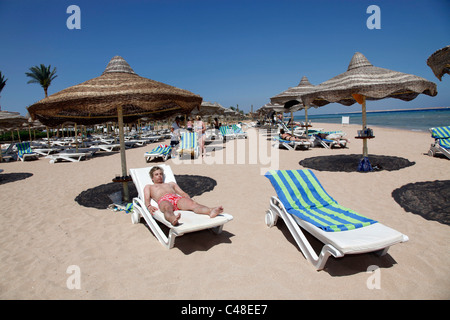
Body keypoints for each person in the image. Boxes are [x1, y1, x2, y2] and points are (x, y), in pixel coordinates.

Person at [144, 166, 224, 226]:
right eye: (156, 174)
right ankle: (173, 219)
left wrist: (187, 198)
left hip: (176, 199)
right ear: (152, 177)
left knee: (193, 204)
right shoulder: (149, 187)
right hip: (163, 200)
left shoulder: (171, 184)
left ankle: (210, 211)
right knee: (167, 208)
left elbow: (182, 193)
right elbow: (147, 198)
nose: (159, 176)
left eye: (161, 174)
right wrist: (148, 206)